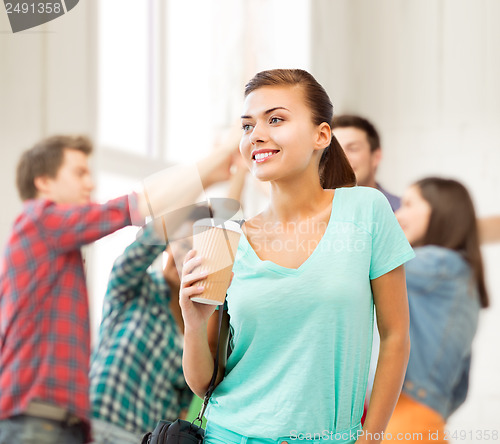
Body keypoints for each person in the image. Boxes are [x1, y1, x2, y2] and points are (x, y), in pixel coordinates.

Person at [179, 69, 415, 444]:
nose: (256, 134)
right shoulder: (230, 241)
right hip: (229, 434)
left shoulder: (366, 211)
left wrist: (371, 439)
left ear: (321, 135)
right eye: (246, 125)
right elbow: (203, 381)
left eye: (276, 119)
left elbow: (396, 335)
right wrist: (193, 323)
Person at [0, 134, 237, 444]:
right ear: (43, 181)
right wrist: (213, 167)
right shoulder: (39, 220)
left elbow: (223, 245)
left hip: (81, 427)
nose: (90, 185)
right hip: (43, 421)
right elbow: (135, 213)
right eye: (80, 173)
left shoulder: (60, 252)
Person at [89, 162, 248, 444]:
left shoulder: (199, 329)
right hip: (93, 427)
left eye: (196, 252)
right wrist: (198, 204)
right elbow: (143, 244)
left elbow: (191, 396)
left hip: (143, 438)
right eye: (181, 246)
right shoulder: (136, 290)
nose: (186, 259)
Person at [381, 177, 489, 444]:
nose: (398, 214)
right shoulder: (462, 277)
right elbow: (460, 387)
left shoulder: (439, 264)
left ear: (440, 210)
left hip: (404, 417)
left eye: (408, 204)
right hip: (425, 421)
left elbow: (373, 265)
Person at [331, 114, 400, 211]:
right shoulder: (310, 218)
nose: (342, 158)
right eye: (335, 150)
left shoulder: (402, 212)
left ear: (376, 157)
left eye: (353, 149)